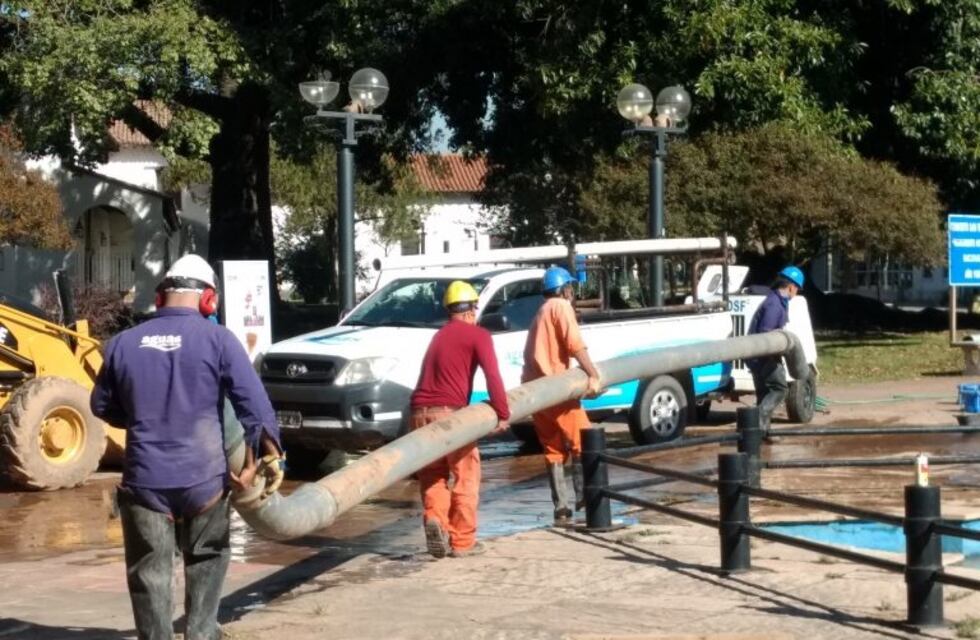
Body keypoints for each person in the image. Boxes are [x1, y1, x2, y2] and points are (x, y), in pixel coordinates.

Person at [91, 254, 282, 640]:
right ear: (209, 300)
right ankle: (200, 633)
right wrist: (268, 455)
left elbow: (101, 406)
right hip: (205, 481)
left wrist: (148, 416)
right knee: (207, 558)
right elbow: (252, 403)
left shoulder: (121, 344)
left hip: (144, 481)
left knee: (149, 572)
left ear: (160, 298)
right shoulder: (219, 339)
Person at [410, 280, 511, 559]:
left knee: (433, 474)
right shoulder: (478, 335)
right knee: (466, 475)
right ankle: (462, 542)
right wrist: (502, 414)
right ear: (472, 309)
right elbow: (493, 376)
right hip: (449, 416)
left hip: (418, 413)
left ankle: (435, 519)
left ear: (450, 310)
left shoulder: (438, 336)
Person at [522, 266, 602, 526]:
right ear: (564, 289)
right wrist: (593, 374)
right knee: (584, 440)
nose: (572, 293)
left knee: (554, 449)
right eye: (570, 288)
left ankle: (561, 507)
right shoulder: (560, 307)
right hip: (557, 388)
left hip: (536, 392)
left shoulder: (540, 312)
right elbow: (575, 345)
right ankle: (585, 498)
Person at [747, 265, 804, 435]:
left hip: (756, 355)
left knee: (764, 393)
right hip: (763, 356)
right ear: (791, 286)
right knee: (780, 389)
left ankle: (760, 434)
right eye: (797, 289)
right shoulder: (774, 304)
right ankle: (758, 421)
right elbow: (766, 335)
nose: (797, 293)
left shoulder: (777, 300)